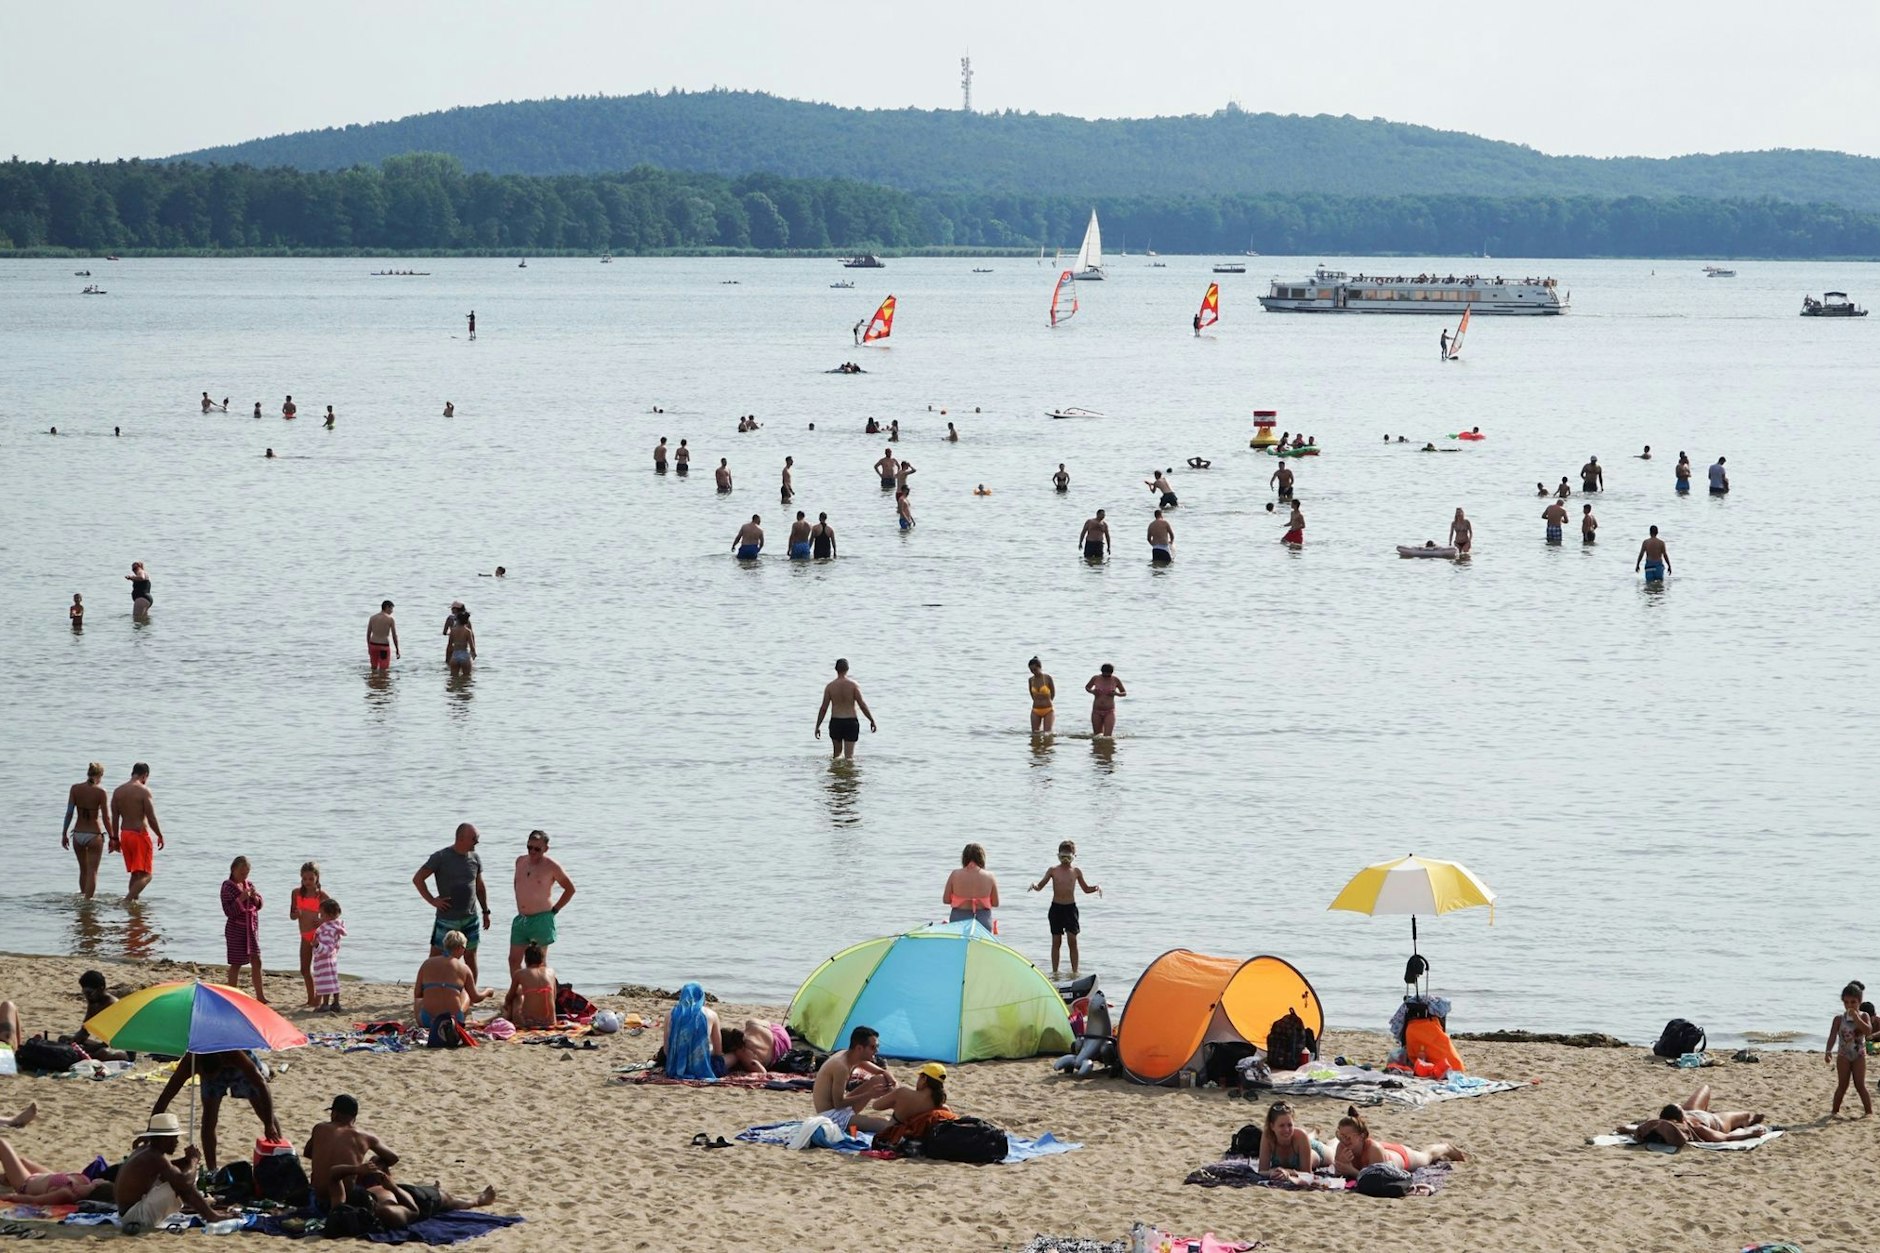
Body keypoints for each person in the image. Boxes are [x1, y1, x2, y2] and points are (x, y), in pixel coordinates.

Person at [152, 1051, 282, 1171]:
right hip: (209, 1066)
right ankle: (212, 1170)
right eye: (204, 1077)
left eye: (211, 1076)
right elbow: (166, 1095)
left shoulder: (236, 1055)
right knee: (208, 1119)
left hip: (238, 1068)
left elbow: (262, 1086)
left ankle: (282, 1154)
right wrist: (151, 1130)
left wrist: (269, 1124)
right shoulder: (191, 1061)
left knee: (262, 1109)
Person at [115, 1113, 233, 1229]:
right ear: (163, 1139)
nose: (176, 1143)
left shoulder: (147, 1151)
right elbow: (184, 1182)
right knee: (183, 1183)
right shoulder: (154, 1157)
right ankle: (211, 1216)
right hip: (136, 1216)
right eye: (173, 1138)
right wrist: (193, 1160)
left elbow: (169, 1167)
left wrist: (187, 1160)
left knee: (179, 1175)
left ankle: (210, 1214)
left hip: (128, 1213)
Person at [414, 823, 491, 979]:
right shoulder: (441, 857)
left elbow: (480, 887)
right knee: (436, 959)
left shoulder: (475, 858)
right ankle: (427, 991)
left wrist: (485, 911)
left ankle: (469, 994)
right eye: (474, 839)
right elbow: (418, 879)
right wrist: (432, 900)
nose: (477, 842)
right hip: (447, 919)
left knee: (470, 957)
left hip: (470, 917)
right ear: (461, 838)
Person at [304, 1094, 398, 1214]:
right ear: (354, 1117)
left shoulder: (319, 1128)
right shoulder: (366, 1136)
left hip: (319, 1196)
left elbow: (307, 1153)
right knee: (378, 1161)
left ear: (335, 1113)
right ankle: (393, 1194)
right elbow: (393, 1158)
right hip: (345, 1199)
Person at [1029, 840, 1101, 978]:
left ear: (1074, 856)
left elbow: (1086, 889)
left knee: (1072, 941)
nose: (1065, 860)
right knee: (1056, 941)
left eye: (1068, 857)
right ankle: (1055, 973)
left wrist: (1096, 888)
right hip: (1056, 908)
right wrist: (1034, 885)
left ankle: (1075, 972)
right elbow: (1040, 886)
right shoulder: (1053, 870)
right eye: (1062, 857)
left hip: (1070, 909)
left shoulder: (1076, 871)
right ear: (1058, 856)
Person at [509, 829, 575, 976]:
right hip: (521, 919)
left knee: (538, 963)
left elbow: (570, 889)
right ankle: (518, 995)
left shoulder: (551, 866)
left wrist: (555, 910)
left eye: (537, 849)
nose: (532, 851)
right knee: (513, 960)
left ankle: (541, 995)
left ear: (546, 848)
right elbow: (517, 884)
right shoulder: (520, 861)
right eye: (529, 847)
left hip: (541, 918)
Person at [1332, 1106, 1465, 1178]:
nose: (1344, 1140)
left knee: (1426, 1157)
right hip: (1383, 1150)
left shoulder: (1373, 1150)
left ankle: (1446, 1148)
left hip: (1399, 1156)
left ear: (1361, 1137)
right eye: (1340, 1135)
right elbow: (1339, 1172)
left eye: (1348, 1137)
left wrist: (1350, 1170)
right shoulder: (1341, 1146)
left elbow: (1376, 1178)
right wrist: (1343, 1166)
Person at [1617, 1085, 1769, 1145]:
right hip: (1716, 1122)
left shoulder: (1657, 1124)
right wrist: (1750, 1133)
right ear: (1681, 1119)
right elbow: (1726, 1138)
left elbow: (1629, 1128)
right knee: (1745, 1115)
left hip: (1692, 1111)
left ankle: (1745, 1120)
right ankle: (1748, 1122)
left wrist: (1629, 1129)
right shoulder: (1698, 1129)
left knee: (1705, 1088)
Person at [812, 1027, 895, 1133]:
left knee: (881, 1079)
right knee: (884, 1124)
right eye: (872, 1047)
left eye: (877, 1047)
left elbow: (881, 1072)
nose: (876, 1051)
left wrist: (892, 1080)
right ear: (859, 1048)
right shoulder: (841, 1066)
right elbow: (838, 1103)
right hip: (830, 1116)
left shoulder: (852, 1056)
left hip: (840, 1109)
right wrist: (870, 1094)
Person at [359, 1172, 496, 1230]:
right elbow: (414, 1211)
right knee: (446, 1198)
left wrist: (357, 1170)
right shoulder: (387, 1212)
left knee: (378, 1160)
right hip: (419, 1200)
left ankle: (432, 1189)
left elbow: (336, 1175)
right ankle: (477, 1201)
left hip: (402, 1191)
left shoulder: (349, 1204)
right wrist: (393, 1188)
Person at [412, 931, 489, 1030]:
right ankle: (458, 1016)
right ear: (460, 948)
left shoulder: (427, 963)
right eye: (464, 949)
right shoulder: (464, 968)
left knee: (419, 999)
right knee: (465, 992)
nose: (464, 952)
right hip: (453, 1021)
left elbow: (418, 993)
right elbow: (475, 998)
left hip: (427, 1021)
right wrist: (488, 991)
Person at [869, 1063, 958, 1149]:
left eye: (919, 1077)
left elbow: (876, 1106)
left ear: (924, 1079)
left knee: (867, 1121)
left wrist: (893, 1097)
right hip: (920, 1142)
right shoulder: (942, 1107)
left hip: (894, 1136)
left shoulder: (903, 1093)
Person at [109, 762, 163, 902]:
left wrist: (114, 838)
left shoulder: (118, 791)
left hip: (125, 834)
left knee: (135, 874)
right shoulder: (144, 791)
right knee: (147, 875)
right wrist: (159, 834)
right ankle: (127, 901)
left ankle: (134, 906)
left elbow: (114, 817)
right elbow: (151, 817)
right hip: (139, 835)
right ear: (145, 775)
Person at [0, 1137, 105, 1205]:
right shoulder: (85, 1181)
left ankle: (8, 1178)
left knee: (2, 1144)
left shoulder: (67, 1193)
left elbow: (35, 1200)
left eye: (104, 1182)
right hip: (45, 1177)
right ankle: (5, 1178)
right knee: (21, 1161)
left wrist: (11, 1197)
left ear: (96, 1187)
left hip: (25, 1183)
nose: (102, 1179)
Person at [221, 855, 266, 1002]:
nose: (244, 876)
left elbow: (259, 905)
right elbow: (229, 911)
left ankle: (260, 996)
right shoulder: (227, 887)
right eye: (241, 872)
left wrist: (253, 897)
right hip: (236, 930)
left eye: (246, 873)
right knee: (236, 963)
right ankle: (232, 996)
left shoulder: (249, 885)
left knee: (257, 959)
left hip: (250, 930)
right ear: (233, 870)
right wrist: (241, 899)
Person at [62, 761, 110, 900]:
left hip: (77, 834)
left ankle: (83, 898)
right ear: (100, 775)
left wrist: (64, 833)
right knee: (92, 871)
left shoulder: (75, 789)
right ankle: (88, 902)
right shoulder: (101, 792)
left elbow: (69, 813)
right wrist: (113, 837)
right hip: (94, 835)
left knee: (83, 870)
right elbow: (106, 817)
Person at [815, 658, 877, 759]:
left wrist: (817, 726)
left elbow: (823, 708)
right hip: (850, 722)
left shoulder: (830, 687)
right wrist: (871, 720)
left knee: (836, 755)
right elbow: (862, 705)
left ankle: (836, 774)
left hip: (836, 722)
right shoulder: (853, 686)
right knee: (849, 757)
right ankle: (848, 773)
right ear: (847, 669)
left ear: (836, 669)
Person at [1828, 981, 1873, 1117]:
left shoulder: (1864, 1015)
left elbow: (1868, 1031)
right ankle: (1834, 1111)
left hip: (1859, 1054)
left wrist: (1857, 1018)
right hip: (1843, 1055)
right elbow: (1832, 1036)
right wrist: (1828, 1051)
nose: (1850, 1006)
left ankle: (1868, 1112)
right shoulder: (1839, 1019)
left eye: (1853, 1002)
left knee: (1860, 1085)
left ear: (1859, 1001)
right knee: (1843, 1085)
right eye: (1846, 1002)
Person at [1256, 1101, 1333, 1180]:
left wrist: (1287, 1172)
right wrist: (1271, 1173)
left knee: (1333, 1147)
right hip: (1300, 1143)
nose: (1286, 1129)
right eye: (1281, 1126)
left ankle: (1314, 1135)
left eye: (1290, 1125)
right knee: (1303, 1137)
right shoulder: (1268, 1136)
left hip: (1316, 1151)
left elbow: (1307, 1173)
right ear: (1272, 1126)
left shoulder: (1301, 1135)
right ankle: (1313, 1133)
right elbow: (1262, 1171)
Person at [660, 982, 721, 1080]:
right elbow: (718, 1052)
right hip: (702, 1068)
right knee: (733, 1057)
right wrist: (700, 1051)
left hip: (675, 1068)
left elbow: (667, 1050)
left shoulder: (670, 1014)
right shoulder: (712, 1015)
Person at [291, 862, 332, 1008]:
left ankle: (317, 999)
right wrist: (296, 914)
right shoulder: (296, 893)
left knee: (320, 969)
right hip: (305, 935)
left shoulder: (322, 896)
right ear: (301, 878)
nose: (307, 882)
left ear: (317, 878)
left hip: (320, 937)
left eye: (310, 879)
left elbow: (334, 914)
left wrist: (321, 919)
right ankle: (310, 998)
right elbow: (292, 915)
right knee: (304, 969)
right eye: (304, 879)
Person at [502, 943, 558, 1029]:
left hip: (528, 1023)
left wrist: (506, 1004)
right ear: (542, 959)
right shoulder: (551, 972)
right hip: (550, 1022)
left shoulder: (520, 973)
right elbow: (554, 997)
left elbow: (510, 996)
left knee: (517, 993)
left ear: (526, 959)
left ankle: (506, 1016)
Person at [943, 844, 999, 929]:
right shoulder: (990, 876)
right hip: (983, 921)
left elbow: (946, 900)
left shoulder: (955, 874)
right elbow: (996, 903)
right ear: (981, 858)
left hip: (959, 919)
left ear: (964, 858)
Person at [721, 1017, 793, 1075]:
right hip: (780, 1033)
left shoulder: (742, 1054)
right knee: (754, 1023)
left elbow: (762, 1072)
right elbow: (768, 1023)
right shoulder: (752, 1024)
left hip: (782, 1050)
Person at [311, 899, 346, 1012]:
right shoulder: (335, 928)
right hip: (332, 958)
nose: (320, 917)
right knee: (333, 980)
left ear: (330, 915)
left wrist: (317, 945)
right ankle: (336, 1003)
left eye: (322, 915)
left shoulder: (328, 930)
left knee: (325, 982)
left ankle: (326, 1004)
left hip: (325, 959)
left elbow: (328, 947)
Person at [1086, 663, 1126, 736]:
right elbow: (1087, 687)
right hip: (1096, 711)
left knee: (1107, 736)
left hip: (1109, 711)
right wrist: (1092, 692)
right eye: (1105, 675)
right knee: (1097, 736)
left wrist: (1116, 694)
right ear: (1102, 672)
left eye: (1109, 675)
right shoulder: (1095, 678)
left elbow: (1124, 693)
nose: (1107, 677)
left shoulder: (1115, 680)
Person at [367, 600, 400, 670]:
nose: (392, 611)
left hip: (373, 645)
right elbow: (394, 635)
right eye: (391, 609)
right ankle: (383, 680)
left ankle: (374, 680)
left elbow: (368, 634)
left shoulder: (372, 618)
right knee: (384, 669)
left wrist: (369, 647)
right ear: (387, 607)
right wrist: (397, 649)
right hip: (383, 646)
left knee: (373, 668)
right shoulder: (390, 619)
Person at [1026, 657, 1056, 734]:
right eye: (1031, 670)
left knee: (1047, 734)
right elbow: (1032, 695)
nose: (1033, 672)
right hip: (1035, 710)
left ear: (1040, 667)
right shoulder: (1031, 680)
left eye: (1035, 669)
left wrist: (1047, 701)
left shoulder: (1047, 678)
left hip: (1048, 709)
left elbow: (1053, 693)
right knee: (1035, 734)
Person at [446, 610, 476, 675]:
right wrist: (473, 654)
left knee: (453, 679)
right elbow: (472, 646)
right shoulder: (468, 631)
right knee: (467, 678)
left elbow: (449, 646)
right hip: (465, 654)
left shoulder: (453, 631)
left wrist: (448, 658)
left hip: (455, 655)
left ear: (458, 620)